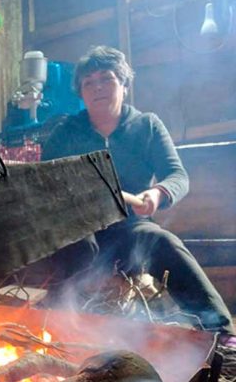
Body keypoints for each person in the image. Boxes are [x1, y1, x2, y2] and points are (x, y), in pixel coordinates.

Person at [40, 45, 235, 336]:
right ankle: (52, 326)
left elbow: (177, 175)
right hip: (78, 227)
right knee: (78, 247)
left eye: (106, 79)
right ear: (80, 93)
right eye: (88, 83)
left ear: (124, 84)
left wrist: (157, 193)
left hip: (128, 229)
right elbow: (43, 181)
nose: (97, 88)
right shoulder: (65, 133)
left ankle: (219, 329)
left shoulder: (146, 126)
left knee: (161, 241)